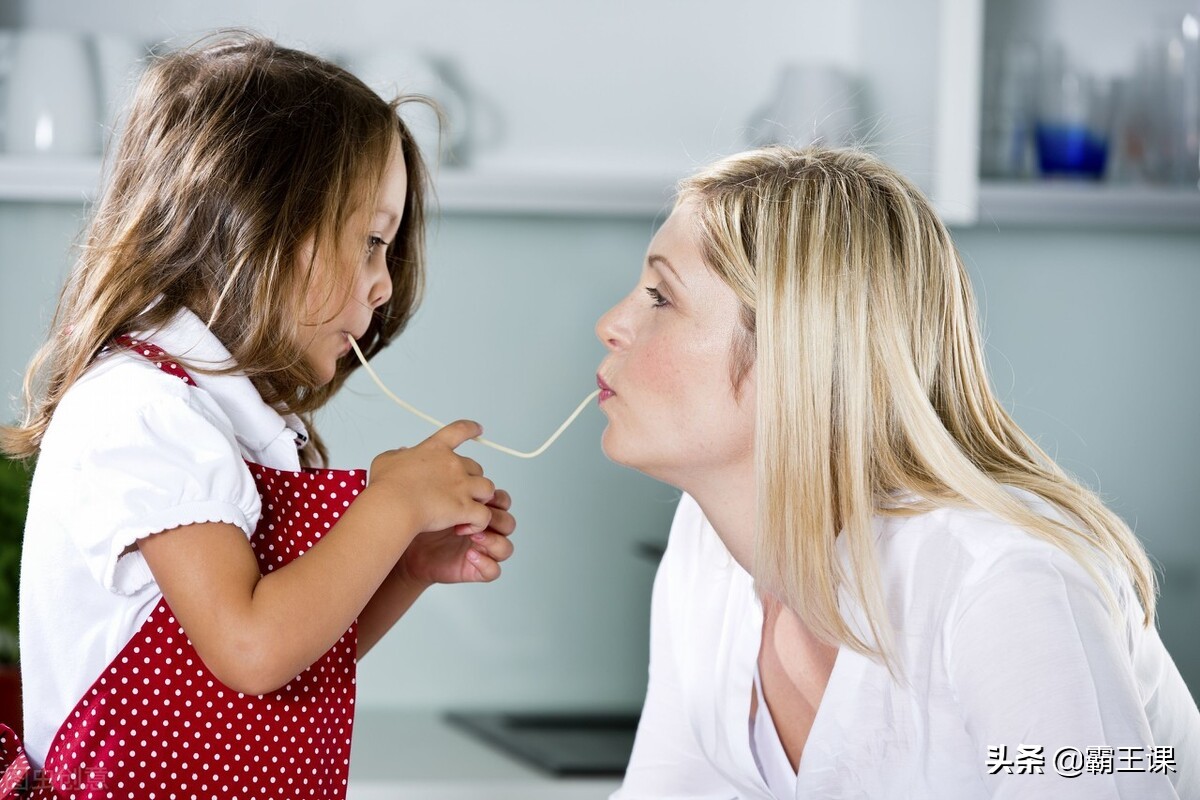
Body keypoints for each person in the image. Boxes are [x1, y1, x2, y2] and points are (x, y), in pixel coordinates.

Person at [596, 145, 1199, 799]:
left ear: (799, 356)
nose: (610, 325)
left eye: (660, 296)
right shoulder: (707, 550)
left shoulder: (1005, 585)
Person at [0, 32, 514, 798]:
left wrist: (401, 565)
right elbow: (251, 647)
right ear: (261, 226)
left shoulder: (221, 416)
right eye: (371, 242)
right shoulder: (140, 407)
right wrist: (391, 504)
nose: (382, 285)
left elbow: (288, 672)